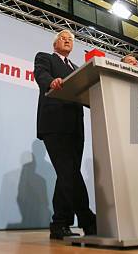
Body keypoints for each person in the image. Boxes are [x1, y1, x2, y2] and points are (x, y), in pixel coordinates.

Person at [34, 30, 96, 239]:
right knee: (68, 172)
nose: (68, 40)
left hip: (75, 128)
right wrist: (51, 82)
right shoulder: (45, 58)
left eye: (71, 39)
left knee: (69, 174)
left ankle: (70, 222)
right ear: (55, 44)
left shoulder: (77, 69)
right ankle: (80, 220)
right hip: (54, 124)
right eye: (63, 38)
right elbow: (41, 75)